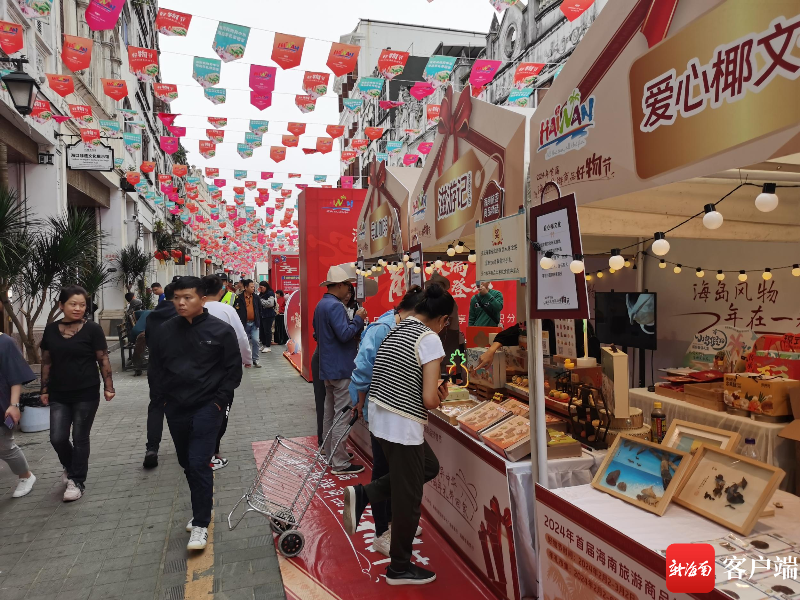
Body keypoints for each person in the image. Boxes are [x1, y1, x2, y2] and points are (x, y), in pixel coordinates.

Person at [343, 284, 453, 585]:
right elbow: (430, 400)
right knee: (408, 496)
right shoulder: (429, 339)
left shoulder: (397, 327)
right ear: (442, 319)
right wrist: (441, 393)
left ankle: (365, 493)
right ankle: (399, 567)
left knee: (427, 467)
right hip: (401, 421)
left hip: (380, 415)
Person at [148, 277, 243, 551]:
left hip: (208, 407)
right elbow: (156, 370)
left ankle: (201, 522)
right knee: (186, 463)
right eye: (177, 297)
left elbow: (232, 371)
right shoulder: (165, 330)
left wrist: (218, 402)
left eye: (187, 297)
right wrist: (162, 401)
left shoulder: (221, 330)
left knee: (199, 461)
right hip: (175, 407)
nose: (181, 302)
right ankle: (203, 507)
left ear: (202, 299)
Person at [349, 285, 425, 556]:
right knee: (384, 470)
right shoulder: (382, 329)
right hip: (381, 410)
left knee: (398, 471)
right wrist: (357, 397)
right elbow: (363, 367)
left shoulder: (401, 327)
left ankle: (394, 523)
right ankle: (381, 531)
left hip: (395, 409)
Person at [40, 285, 115, 502]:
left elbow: (103, 359)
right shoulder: (51, 329)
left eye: (82, 305)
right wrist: (44, 389)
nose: (78, 308)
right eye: (73, 304)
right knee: (57, 437)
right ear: (61, 305)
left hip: (86, 391)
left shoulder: (92, 329)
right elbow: (46, 361)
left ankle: (77, 480)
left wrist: (109, 387)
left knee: (80, 437)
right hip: (59, 392)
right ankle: (71, 465)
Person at [312, 265, 367, 475]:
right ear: (341, 285)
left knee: (329, 414)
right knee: (341, 416)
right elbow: (345, 334)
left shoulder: (322, 304)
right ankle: (340, 462)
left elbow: (320, 334)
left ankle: (330, 452)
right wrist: (359, 319)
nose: (349, 291)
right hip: (341, 368)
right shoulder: (335, 306)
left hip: (328, 367)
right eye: (348, 286)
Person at [202, 274, 253, 471]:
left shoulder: (195, 310)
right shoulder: (226, 310)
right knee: (220, 410)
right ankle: (212, 451)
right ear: (222, 290)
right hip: (222, 372)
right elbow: (241, 338)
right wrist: (247, 360)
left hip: (196, 372)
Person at [142, 283, 178, 469]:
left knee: (156, 407)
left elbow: (148, 340)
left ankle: (152, 449)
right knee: (181, 407)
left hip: (156, 369)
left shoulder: (153, 315)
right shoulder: (182, 314)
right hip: (180, 370)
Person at [0, 331, 37, 498]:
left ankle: (26, 476)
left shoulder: (5, 342)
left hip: (1, 403)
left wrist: (14, 405)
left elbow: (15, 377)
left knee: (5, 447)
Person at [233, 279, 261, 368]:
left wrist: (258, 320)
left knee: (256, 341)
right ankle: (246, 361)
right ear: (245, 287)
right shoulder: (238, 298)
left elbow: (259, 310)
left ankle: (255, 360)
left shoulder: (256, 297)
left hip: (254, 323)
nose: (253, 288)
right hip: (244, 324)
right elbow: (235, 310)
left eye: (254, 287)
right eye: (251, 287)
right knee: (245, 343)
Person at [258, 281, 277, 353]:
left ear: (265, 287)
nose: (261, 289)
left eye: (262, 287)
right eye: (260, 287)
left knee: (267, 331)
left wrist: (260, 301)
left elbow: (270, 304)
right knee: (262, 331)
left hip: (268, 315)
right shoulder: (261, 294)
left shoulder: (270, 293)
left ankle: (268, 346)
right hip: (262, 315)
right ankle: (264, 344)